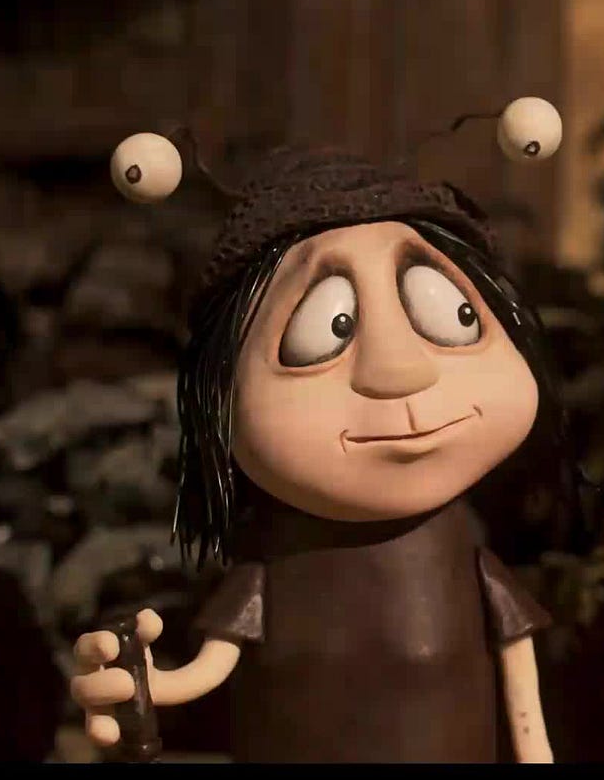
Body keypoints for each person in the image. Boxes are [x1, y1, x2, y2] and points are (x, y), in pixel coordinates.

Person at [69, 98, 574, 762]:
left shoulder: (463, 557)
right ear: (222, 389)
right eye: (326, 331)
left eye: (451, 316)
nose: (399, 371)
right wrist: (136, 687)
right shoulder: (276, 568)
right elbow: (203, 672)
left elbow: (522, 694)